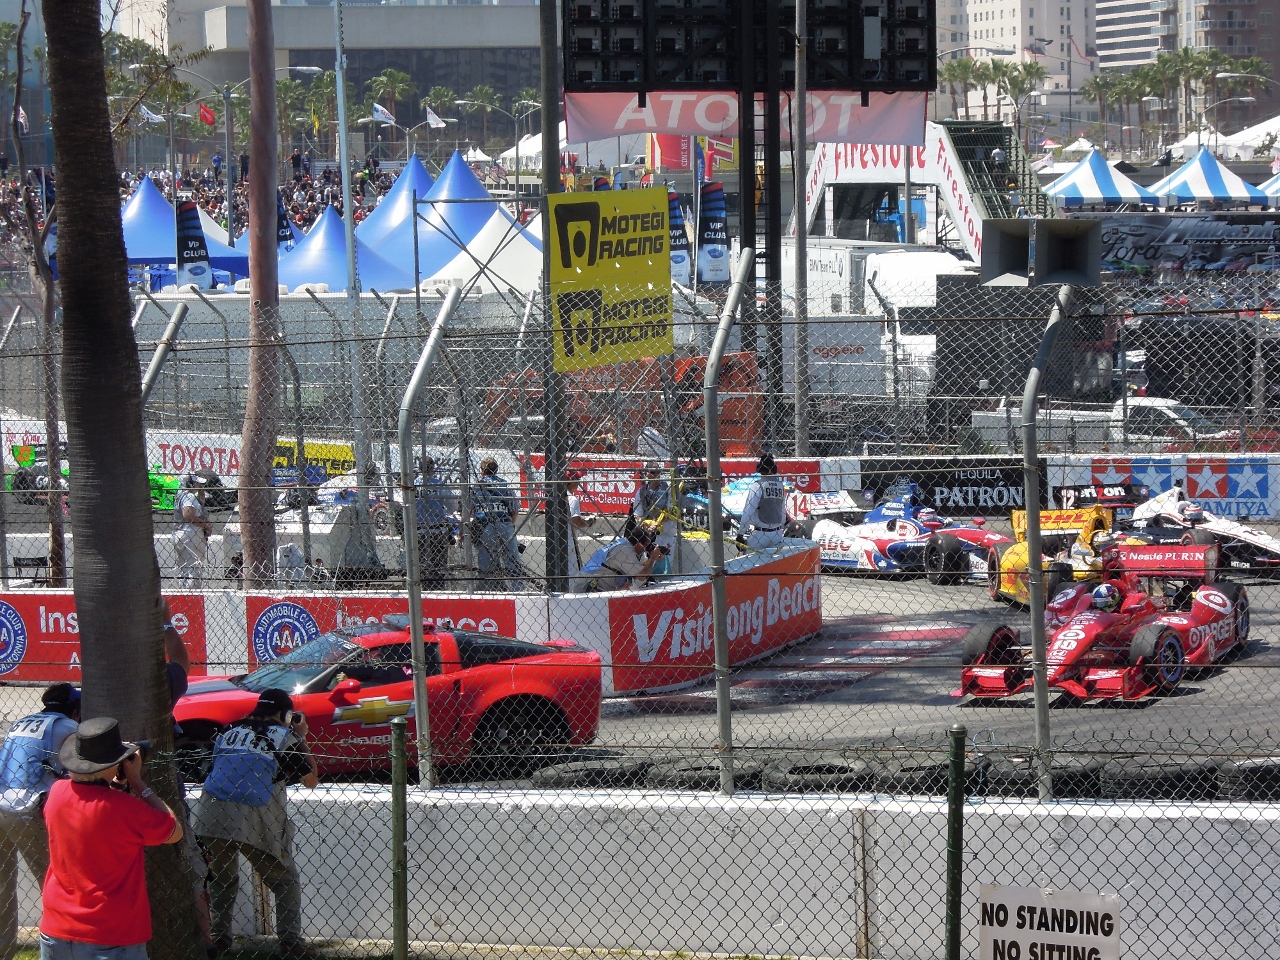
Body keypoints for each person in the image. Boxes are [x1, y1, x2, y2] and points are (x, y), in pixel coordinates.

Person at [40, 718, 182, 960]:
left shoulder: (57, 793)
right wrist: (138, 782)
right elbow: (173, 830)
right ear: (113, 763)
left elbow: (93, 810)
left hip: (57, 929)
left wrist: (115, 784)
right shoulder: (127, 809)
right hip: (110, 934)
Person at [192, 689, 318, 960]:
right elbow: (311, 779)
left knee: (222, 880)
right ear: (285, 715)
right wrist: (301, 736)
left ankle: (220, 941)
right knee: (285, 881)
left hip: (211, 813)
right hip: (256, 816)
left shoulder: (228, 731)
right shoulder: (286, 737)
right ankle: (290, 943)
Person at [0, 684, 80, 960]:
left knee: (2, 888)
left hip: (2, 803)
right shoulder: (67, 727)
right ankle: (59, 949)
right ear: (74, 708)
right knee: (54, 884)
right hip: (29, 808)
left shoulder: (22, 722)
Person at [472, 456, 523, 591]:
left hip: (485, 527)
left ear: (482, 470)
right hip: (505, 525)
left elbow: (470, 510)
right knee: (512, 562)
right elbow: (515, 509)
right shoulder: (505, 485)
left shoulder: (477, 487)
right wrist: (509, 525)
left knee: (486, 563)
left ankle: (488, 592)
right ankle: (518, 591)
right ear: (497, 470)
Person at [574, 522, 665, 593]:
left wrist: (653, 558)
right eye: (646, 545)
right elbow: (641, 576)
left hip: (595, 586)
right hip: (588, 587)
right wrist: (652, 558)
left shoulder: (624, 544)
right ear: (638, 544)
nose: (646, 549)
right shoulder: (624, 550)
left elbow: (636, 568)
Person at [415, 456, 456, 590]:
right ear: (433, 469)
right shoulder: (439, 485)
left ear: (419, 468)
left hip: (419, 530)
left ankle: (423, 589)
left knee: (420, 564)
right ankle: (438, 589)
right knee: (438, 565)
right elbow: (452, 506)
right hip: (437, 530)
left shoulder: (413, 486)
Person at [738, 454, 787, 551]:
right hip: (777, 533)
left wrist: (741, 533)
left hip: (760, 534)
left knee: (750, 560)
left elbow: (749, 510)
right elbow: (782, 509)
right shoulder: (780, 486)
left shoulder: (757, 486)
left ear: (760, 468)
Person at [174, 474, 213, 586]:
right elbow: (188, 515)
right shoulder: (188, 497)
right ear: (189, 483)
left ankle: (185, 592)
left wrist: (200, 492)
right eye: (197, 483)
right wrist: (206, 525)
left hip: (181, 532)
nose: (199, 485)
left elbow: (200, 504)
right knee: (194, 569)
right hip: (190, 534)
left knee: (185, 568)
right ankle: (192, 594)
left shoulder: (180, 495)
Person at [566, 471, 597, 579]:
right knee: (573, 572)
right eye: (577, 479)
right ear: (570, 482)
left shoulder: (557, 496)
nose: (578, 482)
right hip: (569, 541)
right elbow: (576, 521)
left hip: (558, 540)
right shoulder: (572, 499)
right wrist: (589, 522)